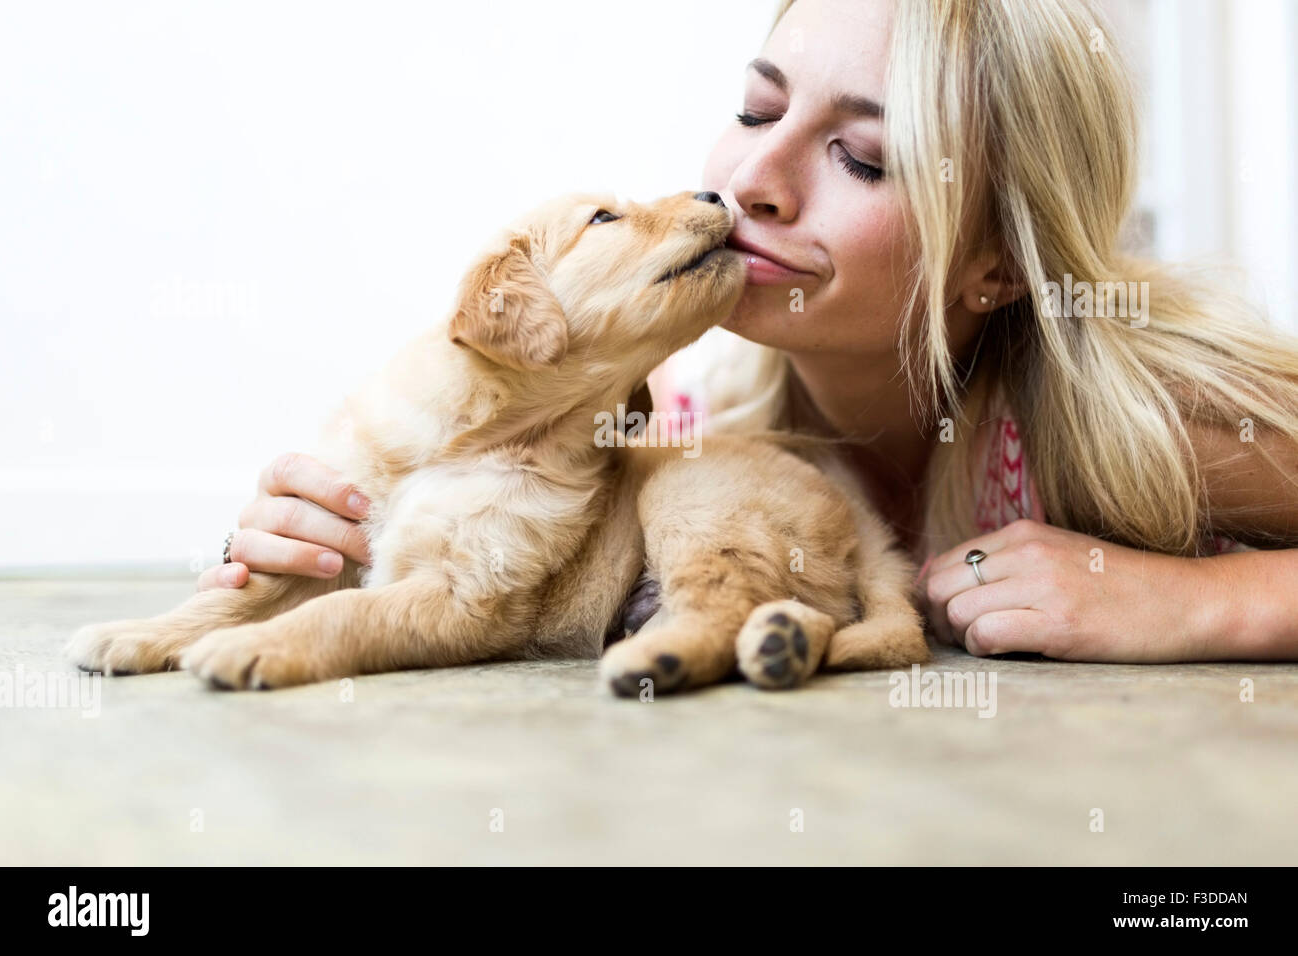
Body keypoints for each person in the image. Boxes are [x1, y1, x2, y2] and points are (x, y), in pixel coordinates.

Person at [200, 0, 1298, 663]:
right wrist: (309, 553)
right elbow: (470, 578)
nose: (750, 185)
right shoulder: (681, 411)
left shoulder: (1135, 417)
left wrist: (1199, 603)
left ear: (998, 267)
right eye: (756, 110)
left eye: (863, 158)